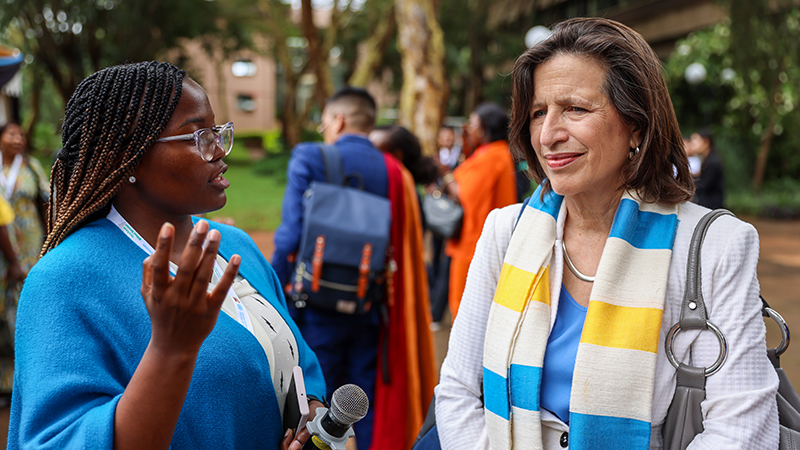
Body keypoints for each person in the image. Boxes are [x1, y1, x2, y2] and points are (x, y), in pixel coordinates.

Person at [435, 17, 779, 449]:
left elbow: (742, 426)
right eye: (539, 112)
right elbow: (458, 391)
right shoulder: (506, 231)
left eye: (575, 109)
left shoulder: (714, 245)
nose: (549, 134)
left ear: (636, 124)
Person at [8, 61, 326, 450]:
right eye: (196, 136)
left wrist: (311, 410)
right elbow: (61, 440)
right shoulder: (64, 280)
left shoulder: (236, 245)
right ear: (129, 157)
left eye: (215, 130)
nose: (219, 150)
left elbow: (295, 357)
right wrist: (171, 349)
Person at [273, 89, 435, 450]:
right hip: (370, 305)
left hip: (314, 305)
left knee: (316, 397)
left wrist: (273, 290)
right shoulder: (394, 171)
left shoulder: (311, 156)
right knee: (363, 398)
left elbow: (290, 234)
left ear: (338, 120)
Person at [442, 103, 517, 319]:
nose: (468, 129)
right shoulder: (496, 152)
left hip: (474, 243)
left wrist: (446, 175)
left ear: (484, 129)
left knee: (465, 308)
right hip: (484, 240)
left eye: (473, 124)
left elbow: (465, 195)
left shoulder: (491, 157)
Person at [0, 122, 48, 394]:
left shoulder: (30, 167)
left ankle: (29, 376)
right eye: (11, 134)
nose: (17, 139)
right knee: (4, 312)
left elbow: (45, 200)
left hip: (29, 246)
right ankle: (7, 384)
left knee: (26, 304)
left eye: (20, 134)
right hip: (2, 246)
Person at [689, 129, 725, 209]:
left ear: (706, 142)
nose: (692, 145)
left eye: (695, 141)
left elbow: (703, 185)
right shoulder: (707, 159)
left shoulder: (712, 162)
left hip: (711, 206)